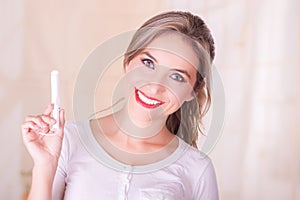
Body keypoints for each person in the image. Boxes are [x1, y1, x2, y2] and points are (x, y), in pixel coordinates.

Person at [21, 11, 219, 200]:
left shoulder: (197, 169)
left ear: (194, 90)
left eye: (177, 76)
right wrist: (44, 166)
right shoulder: (70, 140)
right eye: (148, 63)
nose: (155, 86)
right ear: (128, 61)